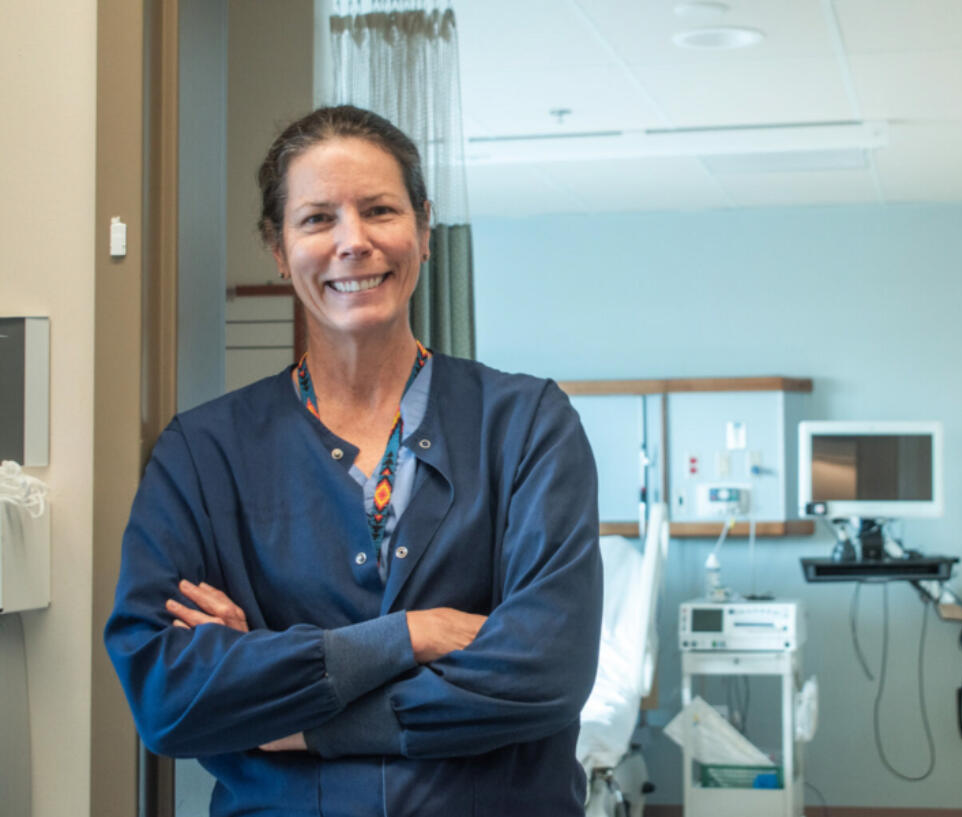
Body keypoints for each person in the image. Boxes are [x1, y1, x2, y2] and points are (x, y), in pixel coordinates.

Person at [105, 105, 602, 816]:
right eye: (316, 219)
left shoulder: (526, 425)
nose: (353, 242)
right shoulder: (202, 453)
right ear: (277, 249)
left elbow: (547, 671)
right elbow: (165, 698)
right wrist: (410, 634)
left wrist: (294, 714)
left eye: (379, 210)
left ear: (424, 231)